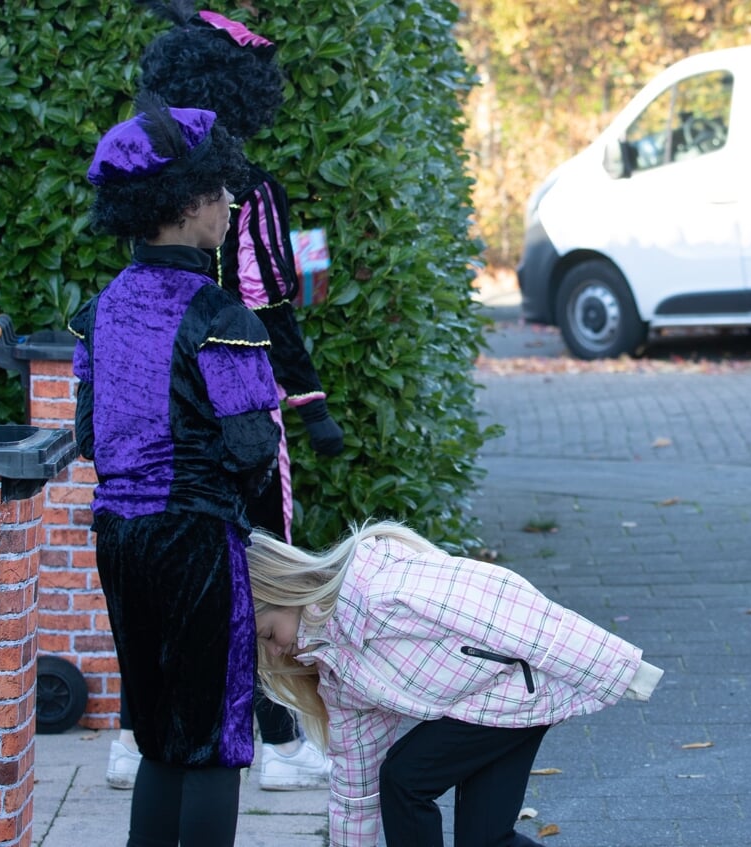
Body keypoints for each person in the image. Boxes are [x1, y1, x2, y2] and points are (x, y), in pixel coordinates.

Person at [108, 0, 346, 792]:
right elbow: (274, 306)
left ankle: (137, 732)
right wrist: (308, 405)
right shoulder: (241, 186)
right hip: (229, 405)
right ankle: (272, 736)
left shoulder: (142, 163)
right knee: (258, 563)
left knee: (160, 583)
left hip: (144, 430)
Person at [72, 95, 280, 845]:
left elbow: (90, 437)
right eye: (219, 191)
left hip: (119, 541)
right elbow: (255, 451)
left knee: (158, 734)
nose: (228, 203)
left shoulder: (99, 310)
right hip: (196, 539)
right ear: (186, 200)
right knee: (216, 739)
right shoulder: (221, 315)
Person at [245, 521, 663, 847]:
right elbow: (355, 787)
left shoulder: (384, 594)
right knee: (486, 840)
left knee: (406, 778)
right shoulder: (338, 670)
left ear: (287, 591)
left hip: (522, 689)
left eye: (268, 635)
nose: (277, 653)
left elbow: (513, 612)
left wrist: (615, 666)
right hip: (486, 706)